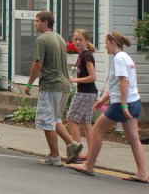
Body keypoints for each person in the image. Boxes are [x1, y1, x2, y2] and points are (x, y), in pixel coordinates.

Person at [69, 31, 147, 182]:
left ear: (112, 42)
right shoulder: (127, 58)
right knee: (134, 139)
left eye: (106, 43)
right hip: (135, 102)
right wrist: (104, 99)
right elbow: (118, 85)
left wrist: (123, 106)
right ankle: (142, 173)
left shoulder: (118, 59)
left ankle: (89, 165)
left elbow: (124, 81)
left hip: (122, 104)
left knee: (97, 130)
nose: (105, 46)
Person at [24, 10, 81, 166]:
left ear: (45, 22)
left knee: (46, 121)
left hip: (50, 85)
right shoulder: (59, 38)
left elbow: (37, 64)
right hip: (63, 85)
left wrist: (29, 84)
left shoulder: (42, 39)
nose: (35, 24)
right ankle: (72, 144)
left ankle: (54, 156)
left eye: (37, 21)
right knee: (55, 118)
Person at [65, 29, 97, 163]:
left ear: (86, 41)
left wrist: (75, 80)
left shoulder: (86, 56)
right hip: (90, 93)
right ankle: (91, 154)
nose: (77, 42)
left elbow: (92, 77)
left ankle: (75, 151)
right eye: (75, 39)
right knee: (86, 123)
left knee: (71, 118)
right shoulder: (82, 55)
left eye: (80, 40)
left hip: (85, 92)